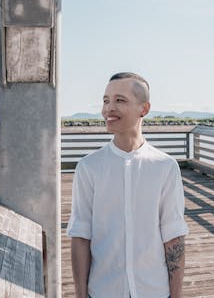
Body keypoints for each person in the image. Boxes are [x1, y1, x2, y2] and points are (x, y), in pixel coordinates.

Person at [67, 72, 189, 298]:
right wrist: (81, 295)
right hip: (103, 290)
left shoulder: (166, 166)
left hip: (153, 290)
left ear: (144, 109)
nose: (108, 108)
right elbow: (81, 235)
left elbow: (173, 235)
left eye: (119, 100)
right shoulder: (88, 167)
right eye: (106, 100)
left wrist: (177, 295)